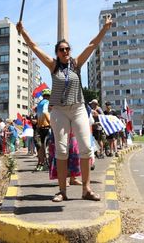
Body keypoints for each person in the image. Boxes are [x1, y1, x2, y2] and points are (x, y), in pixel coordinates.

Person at [17, 15, 112, 202]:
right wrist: (24, 32)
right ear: (57, 52)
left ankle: (86, 189)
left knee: (86, 149)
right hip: (59, 111)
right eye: (61, 49)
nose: (65, 51)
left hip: (77, 109)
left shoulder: (76, 64)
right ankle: (62, 191)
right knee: (61, 151)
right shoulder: (53, 67)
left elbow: (92, 45)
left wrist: (105, 29)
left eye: (67, 49)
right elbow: (35, 47)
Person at [34, 89, 52, 171]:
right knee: (51, 144)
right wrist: (50, 122)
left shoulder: (39, 103)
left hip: (39, 126)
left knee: (41, 146)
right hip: (46, 126)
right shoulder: (46, 102)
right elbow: (45, 112)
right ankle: (50, 162)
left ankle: (41, 162)